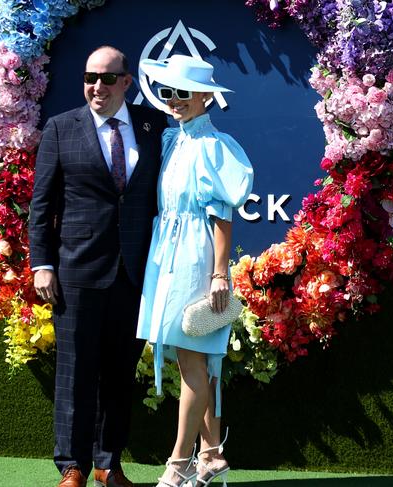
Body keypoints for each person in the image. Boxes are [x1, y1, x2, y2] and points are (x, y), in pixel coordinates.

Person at [29, 46, 168, 487]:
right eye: (90, 77)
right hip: (76, 271)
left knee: (119, 374)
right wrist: (42, 263)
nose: (97, 87)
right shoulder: (60, 128)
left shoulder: (152, 127)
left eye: (108, 79)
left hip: (133, 274)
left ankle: (109, 463)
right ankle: (72, 467)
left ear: (127, 82)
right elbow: (41, 205)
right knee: (74, 373)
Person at [136, 55, 254, 487]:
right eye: (168, 92)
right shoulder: (171, 141)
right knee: (191, 359)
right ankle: (211, 454)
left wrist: (220, 274)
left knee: (191, 359)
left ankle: (179, 462)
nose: (174, 101)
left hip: (195, 258)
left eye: (183, 92)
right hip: (165, 253)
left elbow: (223, 216)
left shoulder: (215, 146)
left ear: (206, 96)